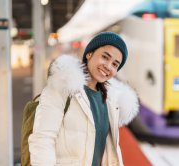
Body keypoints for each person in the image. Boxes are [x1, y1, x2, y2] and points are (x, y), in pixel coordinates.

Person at [28, 32, 139, 166]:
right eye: (105, 57)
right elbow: (42, 139)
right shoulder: (63, 87)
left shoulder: (111, 101)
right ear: (89, 54)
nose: (108, 66)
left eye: (115, 64)